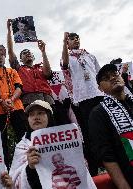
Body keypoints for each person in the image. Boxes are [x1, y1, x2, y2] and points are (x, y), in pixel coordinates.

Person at [61, 32, 103, 175]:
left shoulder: (90, 55)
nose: (76, 40)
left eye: (77, 38)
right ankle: (94, 168)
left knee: (105, 129)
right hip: (81, 100)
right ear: (68, 43)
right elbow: (64, 64)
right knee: (88, 133)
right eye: (72, 39)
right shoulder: (67, 57)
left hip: (98, 95)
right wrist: (63, 43)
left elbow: (99, 75)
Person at [89, 64, 133, 188]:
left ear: (123, 78)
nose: (112, 78)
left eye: (115, 74)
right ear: (100, 88)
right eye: (106, 78)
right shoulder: (98, 113)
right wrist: (123, 186)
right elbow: (105, 154)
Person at [7, 19, 54, 107]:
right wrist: (9, 31)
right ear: (20, 60)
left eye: (29, 52)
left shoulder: (40, 68)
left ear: (33, 57)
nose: (27, 53)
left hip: (48, 99)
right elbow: (10, 51)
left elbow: (48, 73)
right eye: (24, 53)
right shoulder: (18, 69)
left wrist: (43, 51)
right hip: (28, 100)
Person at [9, 100, 54, 189]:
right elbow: (13, 181)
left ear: (49, 117)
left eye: (40, 113)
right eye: (31, 114)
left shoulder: (65, 142)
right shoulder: (22, 146)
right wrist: (30, 168)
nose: (36, 117)